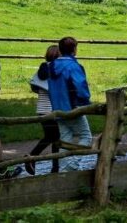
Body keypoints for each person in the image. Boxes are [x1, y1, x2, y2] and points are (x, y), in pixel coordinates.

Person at [48, 37, 92, 171]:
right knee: (86, 136)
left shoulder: (52, 66)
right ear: (74, 49)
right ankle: (72, 165)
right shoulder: (73, 66)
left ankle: (64, 171)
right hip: (72, 107)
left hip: (57, 108)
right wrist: (85, 102)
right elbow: (80, 86)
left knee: (65, 140)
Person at [25, 45, 61, 175]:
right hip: (53, 109)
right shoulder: (57, 69)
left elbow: (35, 88)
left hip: (41, 108)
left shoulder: (42, 69)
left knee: (54, 137)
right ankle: (32, 157)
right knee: (53, 137)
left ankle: (55, 167)